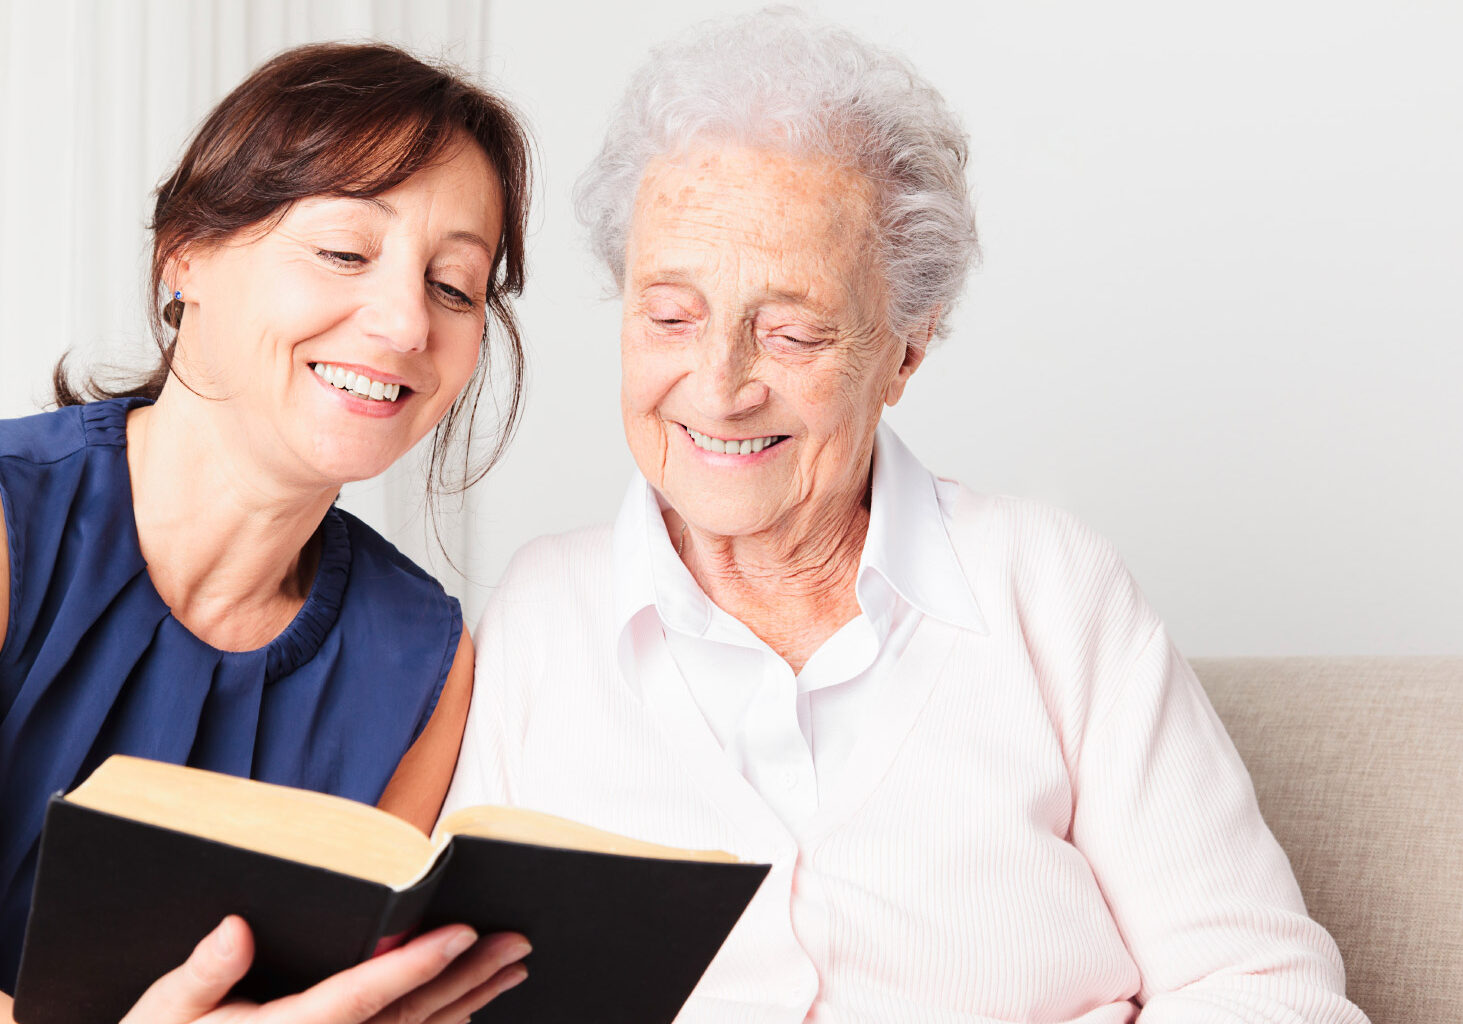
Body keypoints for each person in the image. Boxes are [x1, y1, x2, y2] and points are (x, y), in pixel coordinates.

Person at [445, 9, 1372, 1023]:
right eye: (670, 317)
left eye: (791, 332)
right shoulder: (542, 616)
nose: (719, 386)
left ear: (906, 350)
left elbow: (1260, 988)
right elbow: (454, 994)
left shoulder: (1046, 585)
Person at [0, 43, 532, 1021]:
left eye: (454, 285)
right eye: (344, 252)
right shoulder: (8, 526)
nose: (407, 322)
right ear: (186, 255)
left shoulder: (423, 660)